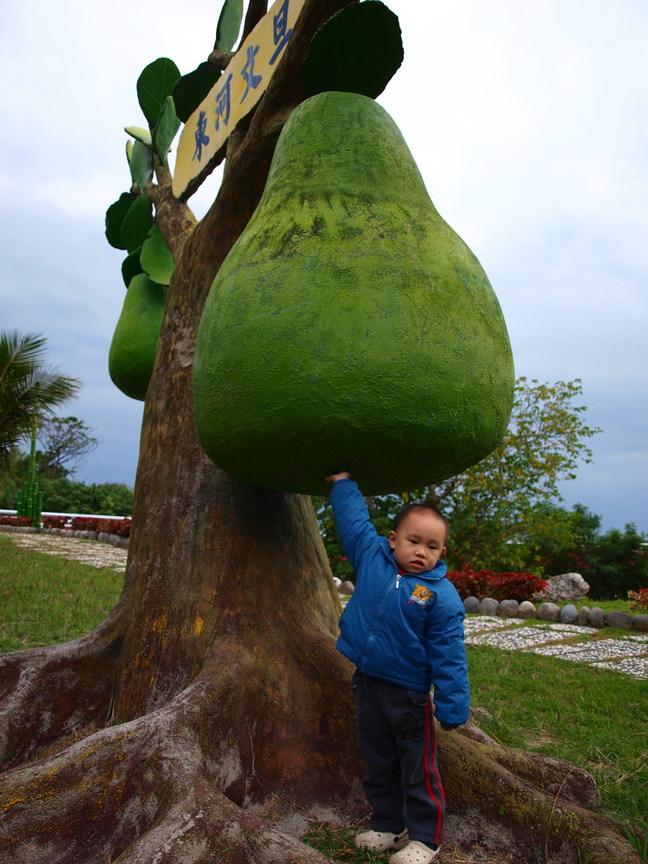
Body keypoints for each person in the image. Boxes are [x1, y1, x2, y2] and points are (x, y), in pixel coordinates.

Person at [325, 471, 470, 864]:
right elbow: (354, 522)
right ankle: (388, 825)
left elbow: (450, 656)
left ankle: (426, 837)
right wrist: (342, 483)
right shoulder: (371, 557)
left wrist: (453, 707)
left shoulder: (440, 597)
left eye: (432, 546)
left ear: (442, 551)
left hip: (408, 697)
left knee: (416, 767)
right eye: (413, 541)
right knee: (377, 761)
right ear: (393, 539)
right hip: (367, 684)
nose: (422, 551)